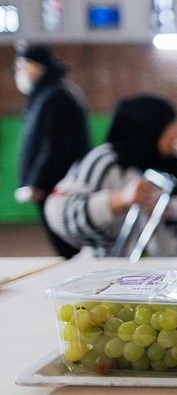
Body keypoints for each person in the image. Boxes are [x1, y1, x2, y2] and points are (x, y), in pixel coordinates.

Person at [44, 95, 177, 257]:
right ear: (149, 128)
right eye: (171, 126)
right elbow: (57, 211)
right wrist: (116, 200)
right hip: (113, 269)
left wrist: (170, 208)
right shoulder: (105, 162)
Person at [13, 43, 91, 259]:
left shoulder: (57, 96)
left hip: (57, 185)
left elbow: (54, 145)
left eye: (21, 67)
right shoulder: (46, 95)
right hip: (53, 184)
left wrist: (39, 181)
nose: (17, 74)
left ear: (37, 67)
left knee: (69, 247)